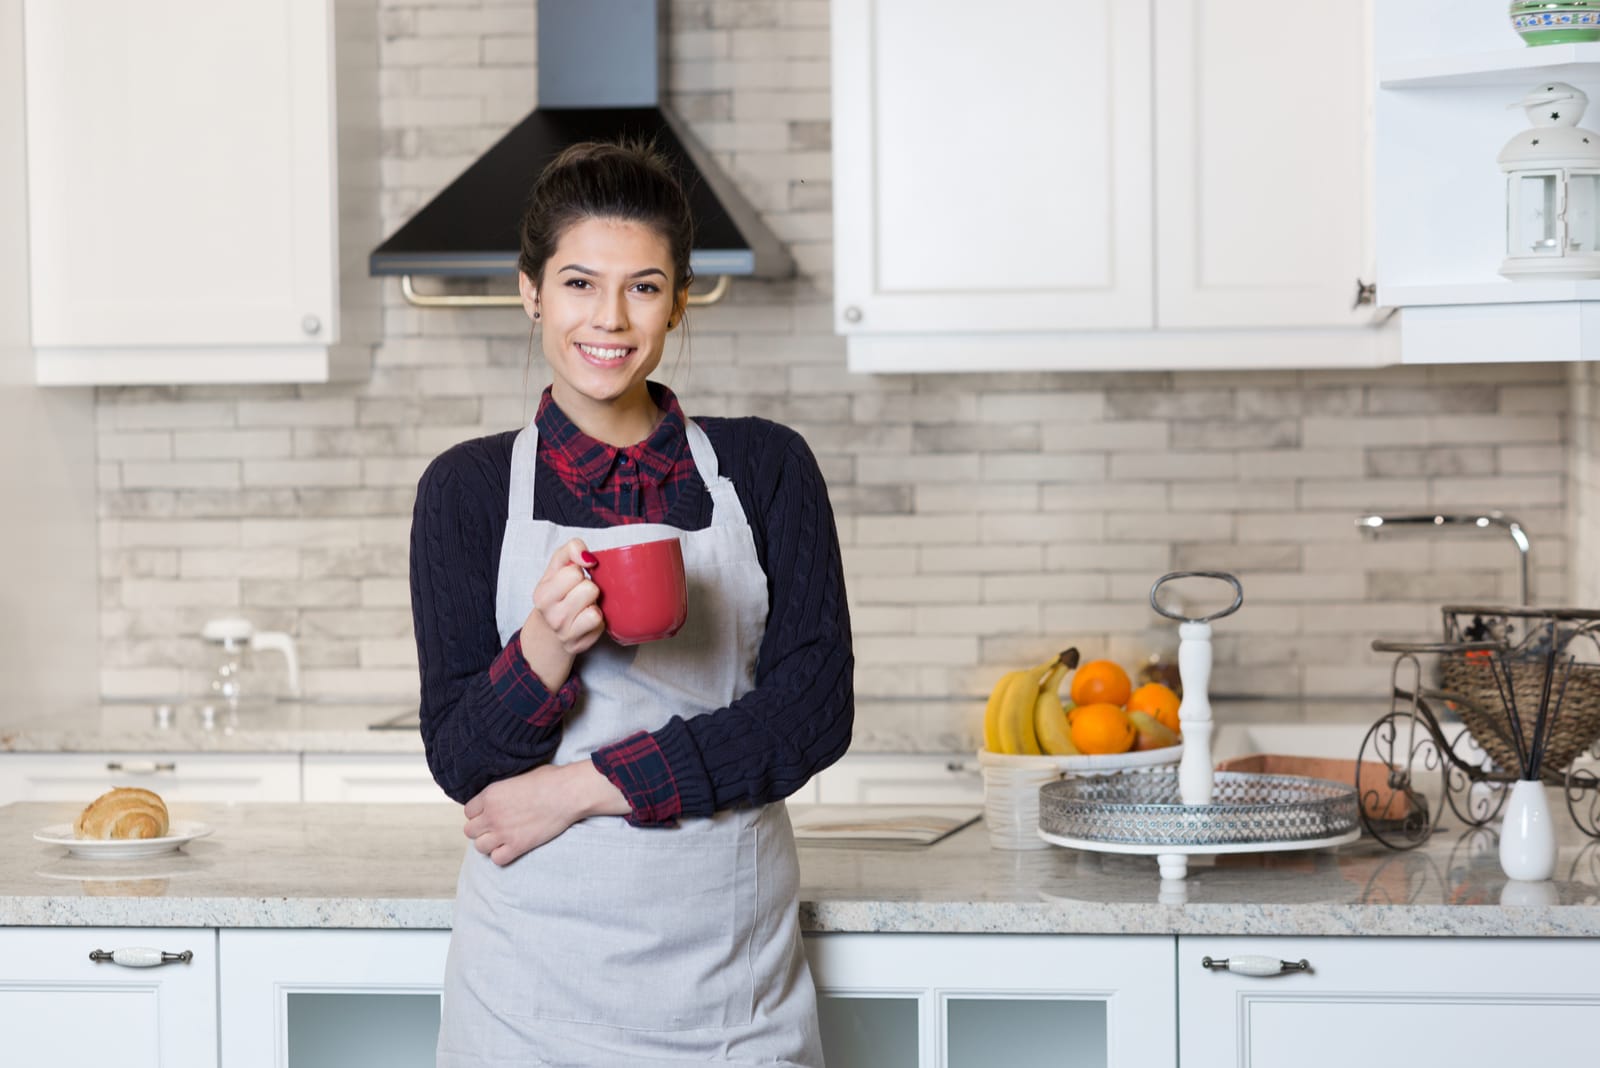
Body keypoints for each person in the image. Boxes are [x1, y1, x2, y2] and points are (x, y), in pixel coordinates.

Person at [409, 139, 854, 1068]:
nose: (608, 318)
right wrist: (539, 653)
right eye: (578, 283)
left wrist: (578, 790)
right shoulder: (469, 489)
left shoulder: (766, 468)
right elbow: (460, 760)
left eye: (644, 287)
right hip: (526, 1000)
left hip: (732, 993)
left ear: (680, 299)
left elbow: (812, 715)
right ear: (531, 292)